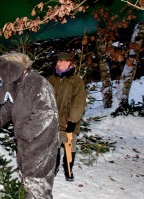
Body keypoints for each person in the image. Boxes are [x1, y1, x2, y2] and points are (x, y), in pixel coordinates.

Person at [0, 53, 59, 199]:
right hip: (27, 145)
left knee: (39, 188)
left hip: (40, 145)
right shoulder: (17, 85)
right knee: (29, 184)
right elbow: (7, 110)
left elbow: (46, 112)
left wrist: (24, 133)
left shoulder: (36, 82)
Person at [47, 52, 86, 181]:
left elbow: (79, 102)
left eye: (63, 61)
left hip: (69, 121)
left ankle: (68, 170)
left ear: (70, 63)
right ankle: (54, 167)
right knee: (54, 146)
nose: (59, 63)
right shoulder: (51, 79)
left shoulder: (76, 81)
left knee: (69, 146)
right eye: (58, 61)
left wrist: (73, 120)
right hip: (54, 122)